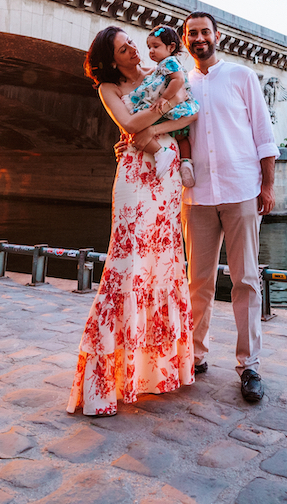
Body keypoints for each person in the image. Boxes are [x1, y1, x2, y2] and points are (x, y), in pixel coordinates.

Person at [68, 26, 198, 417]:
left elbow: (185, 113)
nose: (134, 51)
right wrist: (158, 110)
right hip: (135, 176)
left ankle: (157, 374)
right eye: (125, 49)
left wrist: (155, 124)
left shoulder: (158, 71)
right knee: (127, 266)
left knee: (164, 264)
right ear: (112, 60)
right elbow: (128, 125)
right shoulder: (108, 89)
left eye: (133, 44)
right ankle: (108, 380)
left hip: (166, 170)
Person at [180, 11, 279, 404]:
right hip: (198, 196)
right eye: (192, 33)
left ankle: (249, 364)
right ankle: (195, 354)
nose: (199, 38)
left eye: (205, 32)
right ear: (185, 40)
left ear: (217, 36)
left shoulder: (241, 77)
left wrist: (267, 186)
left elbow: (263, 134)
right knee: (197, 282)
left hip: (240, 191)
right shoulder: (180, 84)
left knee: (246, 281)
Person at [142, 26, 199, 187]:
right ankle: (186, 163)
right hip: (178, 109)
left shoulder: (169, 62)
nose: (151, 51)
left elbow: (178, 80)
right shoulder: (164, 64)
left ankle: (160, 153)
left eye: (156, 46)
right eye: (149, 47)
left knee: (146, 127)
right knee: (182, 137)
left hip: (175, 107)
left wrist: (164, 98)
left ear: (171, 47)